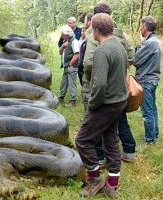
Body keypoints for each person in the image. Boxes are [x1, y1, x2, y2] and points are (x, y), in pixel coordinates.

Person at [75, 13, 128, 199]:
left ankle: (95, 180)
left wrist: (93, 104)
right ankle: (112, 185)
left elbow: (99, 85)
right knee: (111, 141)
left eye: (91, 28)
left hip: (105, 104)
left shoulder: (102, 51)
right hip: (119, 102)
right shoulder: (120, 46)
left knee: (82, 140)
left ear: (96, 30)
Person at [83, 3, 136, 167]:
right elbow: (131, 59)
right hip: (119, 93)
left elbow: (90, 67)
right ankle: (124, 159)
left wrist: (92, 104)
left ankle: (96, 167)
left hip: (105, 97)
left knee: (85, 137)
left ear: (95, 27)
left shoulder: (100, 45)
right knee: (115, 132)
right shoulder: (122, 38)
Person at [133, 16, 162, 145]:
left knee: (147, 111)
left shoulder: (150, 43)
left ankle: (150, 139)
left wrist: (140, 46)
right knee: (152, 109)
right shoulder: (154, 41)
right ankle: (154, 135)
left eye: (141, 26)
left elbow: (136, 60)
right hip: (152, 79)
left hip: (147, 80)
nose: (140, 28)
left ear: (144, 28)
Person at [58, 25, 80, 107]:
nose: (61, 35)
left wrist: (70, 64)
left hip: (71, 67)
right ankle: (61, 97)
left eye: (62, 34)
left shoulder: (74, 41)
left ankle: (73, 100)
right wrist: (63, 47)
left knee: (72, 83)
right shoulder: (65, 41)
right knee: (64, 82)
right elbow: (60, 52)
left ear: (67, 34)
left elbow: (77, 54)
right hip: (66, 67)